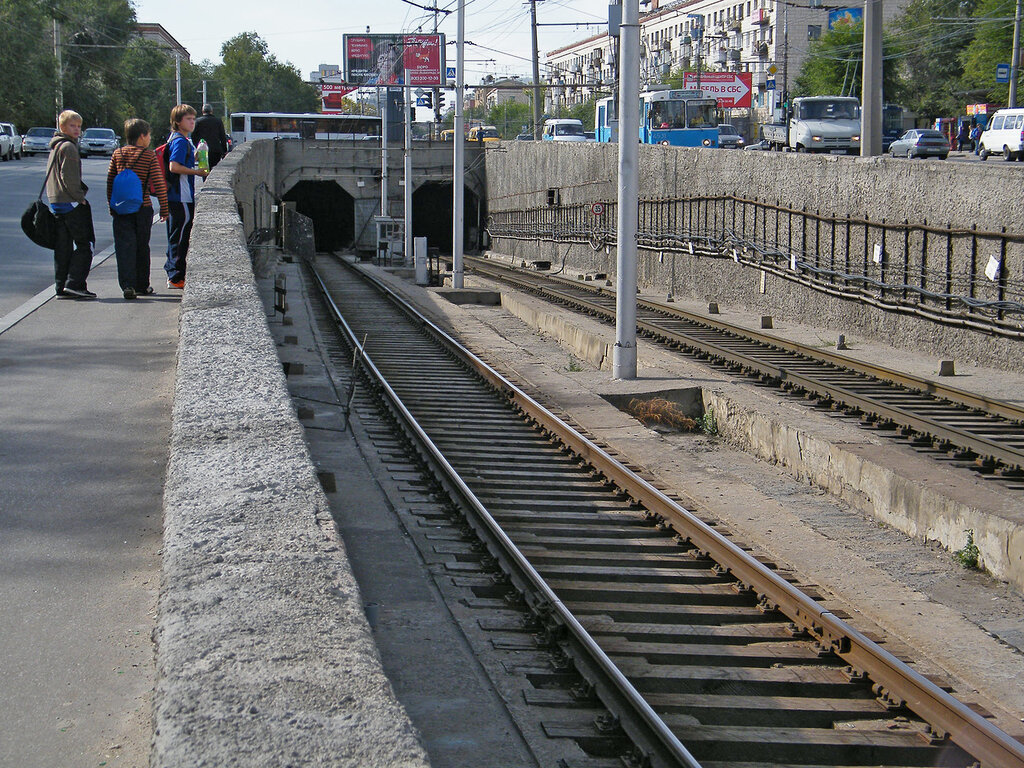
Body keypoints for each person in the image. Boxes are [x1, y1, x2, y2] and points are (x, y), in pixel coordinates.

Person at [106, 118, 169, 299]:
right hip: (142, 207)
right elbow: (158, 183)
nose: (149, 138)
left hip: (121, 209)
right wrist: (164, 209)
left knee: (124, 247)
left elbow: (110, 182)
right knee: (142, 246)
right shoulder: (148, 156)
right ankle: (142, 285)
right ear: (142, 136)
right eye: (148, 135)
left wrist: (111, 205)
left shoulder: (117, 154)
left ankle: (127, 285)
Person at [46, 109, 95, 299]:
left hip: (56, 202)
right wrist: (80, 198)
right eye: (72, 126)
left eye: (79, 126)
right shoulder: (69, 148)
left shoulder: (55, 146)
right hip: (70, 203)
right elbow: (70, 178)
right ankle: (75, 283)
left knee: (63, 247)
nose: (76, 130)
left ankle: (61, 287)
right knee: (86, 244)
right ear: (62, 127)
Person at [164, 104, 208, 290]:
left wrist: (196, 155)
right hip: (180, 196)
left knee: (177, 234)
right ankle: (175, 277)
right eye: (188, 119)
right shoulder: (180, 141)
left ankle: (174, 272)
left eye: (193, 119)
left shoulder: (180, 139)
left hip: (179, 196)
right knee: (180, 236)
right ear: (178, 121)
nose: (192, 122)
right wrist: (196, 172)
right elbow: (174, 166)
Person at [191, 104, 228, 169]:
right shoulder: (218, 121)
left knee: (204, 170)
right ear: (211, 111)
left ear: (203, 111)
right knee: (214, 169)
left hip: (203, 151)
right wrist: (224, 150)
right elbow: (222, 137)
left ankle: (205, 178)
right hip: (215, 150)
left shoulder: (198, 121)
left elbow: (193, 136)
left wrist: (198, 145)